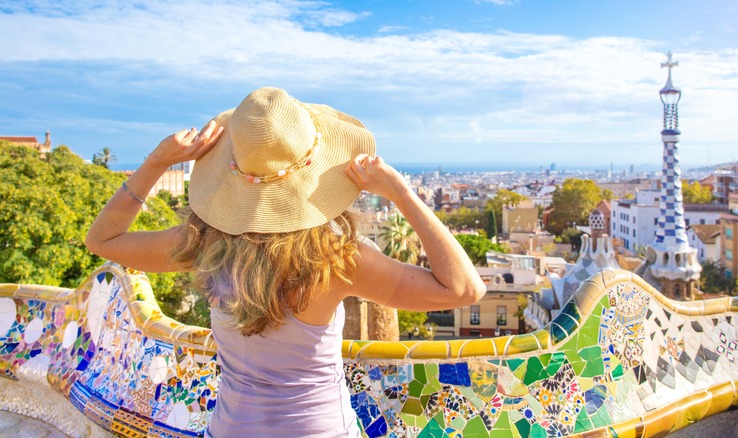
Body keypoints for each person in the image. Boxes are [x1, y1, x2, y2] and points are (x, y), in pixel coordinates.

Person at [86, 87, 485, 437]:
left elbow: (103, 239)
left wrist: (158, 161)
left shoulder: (202, 245)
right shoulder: (337, 259)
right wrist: (400, 191)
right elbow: (464, 289)